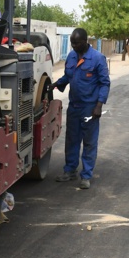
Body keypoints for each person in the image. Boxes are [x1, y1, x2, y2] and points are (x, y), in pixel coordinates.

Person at [53, 28, 110, 190]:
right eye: (72, 43)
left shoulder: (97, 58)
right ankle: (70, 170)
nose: (73, 46)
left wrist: (99, 105)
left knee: (89, 142)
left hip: (90, 108)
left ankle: (86, 175)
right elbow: (68, 76)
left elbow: (105, 83)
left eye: (76, 43)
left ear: (85, 41)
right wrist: (56, 85)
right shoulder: (71, 56)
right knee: (71, 140)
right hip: (74, 107)